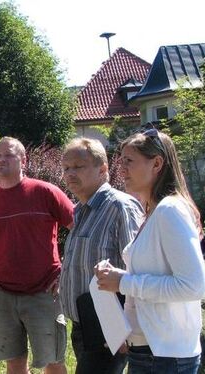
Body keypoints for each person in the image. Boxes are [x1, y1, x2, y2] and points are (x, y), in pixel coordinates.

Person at [0, 136, 74, 374]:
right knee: (14, 363)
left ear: (23, 160)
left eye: (8, 155)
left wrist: (67, 272)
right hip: (1, 295)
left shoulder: (46, 192)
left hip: (45, 292)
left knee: (53, 361)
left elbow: (81, 229)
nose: (1, 160)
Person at [94, 128, 205, 374]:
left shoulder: (170, 210)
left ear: (157, 164)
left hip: (165, 356)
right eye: (121, 161)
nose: (121, 169)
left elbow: (194, 286)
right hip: (151, 351)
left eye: (129, 161)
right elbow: (156, 273)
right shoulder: (154, 212)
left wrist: (124, 282)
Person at [59, 138, 143, 374]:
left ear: (103, 169)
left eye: (79, 166)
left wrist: (126, 329)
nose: (70, 173)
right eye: (66, 168)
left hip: (111, 326)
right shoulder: (78, 211)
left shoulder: (120, 207)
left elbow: (137, 268)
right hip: (84, 323)